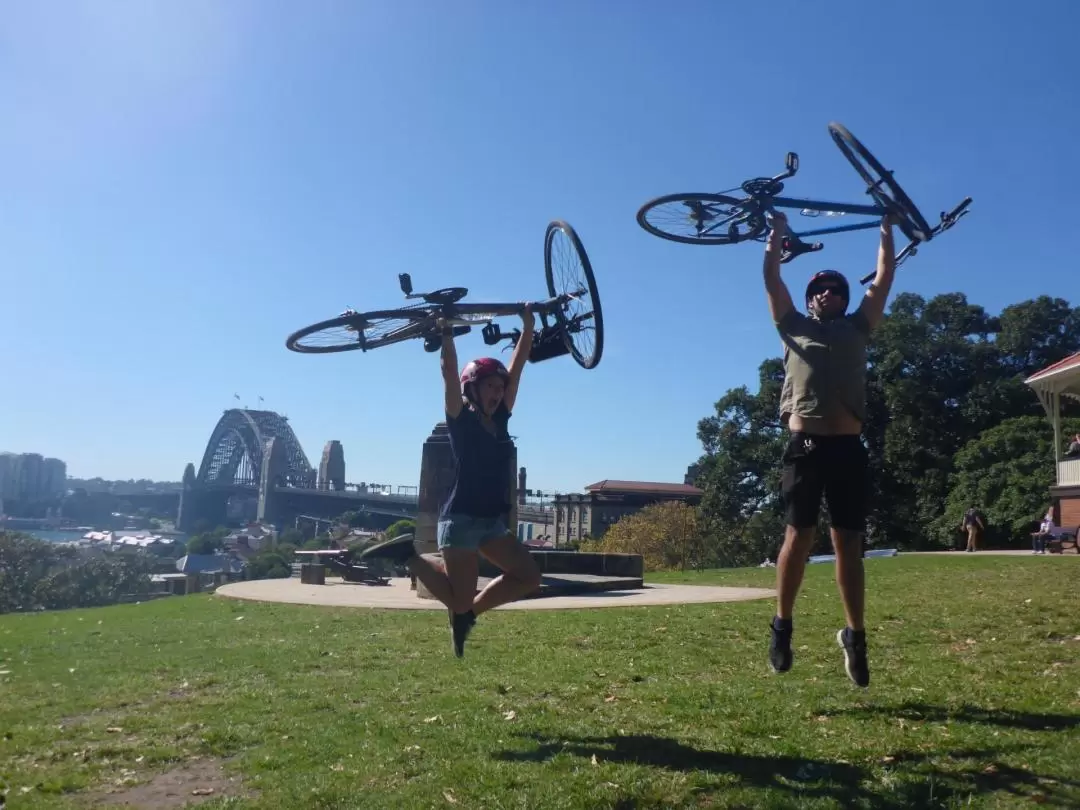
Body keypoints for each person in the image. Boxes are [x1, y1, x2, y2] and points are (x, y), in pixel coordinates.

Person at [762, 210, 899, 689]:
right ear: (809, 298)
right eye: (820, 288)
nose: (828, 294)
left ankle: (855, 637)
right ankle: (782, 626)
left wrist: (887, 229)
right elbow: (771, 278)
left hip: (847, 445)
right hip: (803, 444)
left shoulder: (858, 327)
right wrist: (775, 237)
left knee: (849, 545)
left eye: (837, 289)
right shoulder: (792, 326)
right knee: (798, 536)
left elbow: (882, 279)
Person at [358, 308, 542, 658]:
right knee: (457, 599)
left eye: (500, 388)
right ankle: (408, 556)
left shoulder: (500, 420)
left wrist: (528, 326)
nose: (498, 392)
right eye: (491, 386)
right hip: (459, 521)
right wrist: (446, 332)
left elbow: (517, 370)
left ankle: (469, 614)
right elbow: (447, 372)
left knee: (528, 576)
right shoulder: (460, 421)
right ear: (472, 387)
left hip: (490, 523)